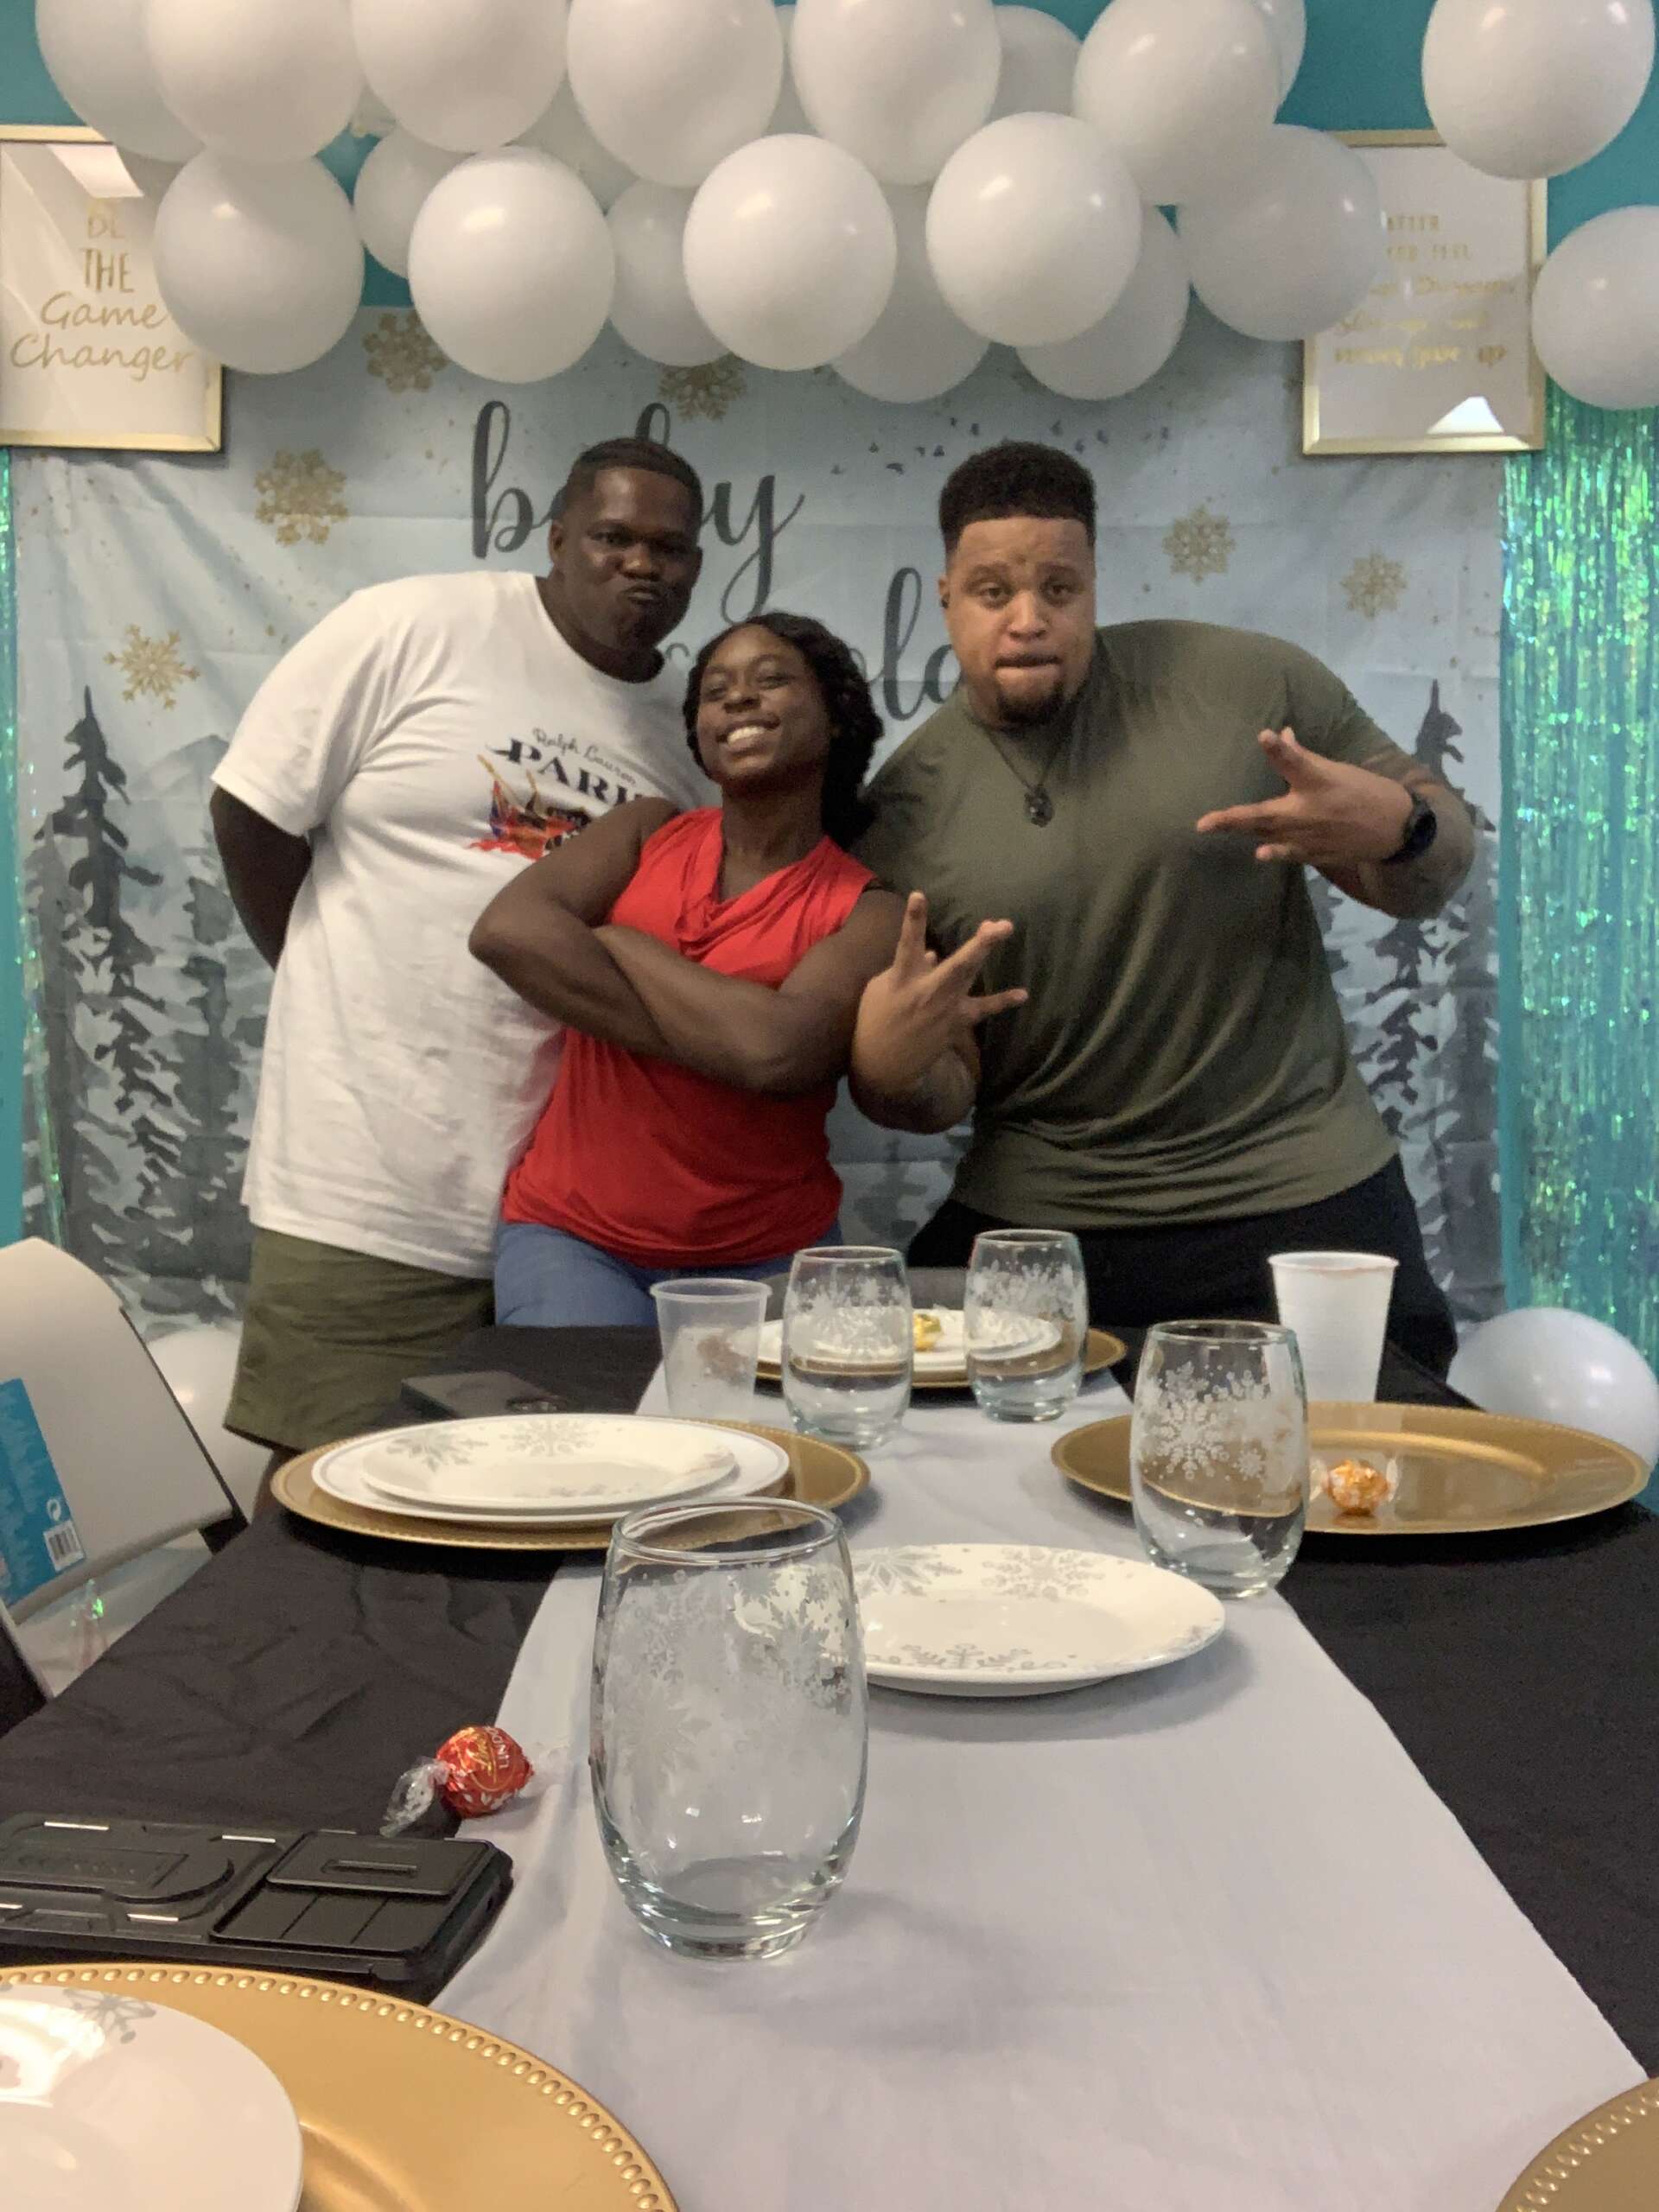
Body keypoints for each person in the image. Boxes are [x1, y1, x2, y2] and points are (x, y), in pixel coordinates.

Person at [850, 441, 1475, 1373]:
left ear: (1095, 586)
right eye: (993, 592)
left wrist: (1404, 827)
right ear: (947, 597)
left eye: (1060, 589)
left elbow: (1434, 872)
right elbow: (947, 1086)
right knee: (932, 1425)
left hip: (1300, 1187)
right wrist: (887, 1070)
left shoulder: (1246, 687)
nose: (1028, 620)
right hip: (1046, 1220)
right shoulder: (902, 811)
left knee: (1382, 1445)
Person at [211, 435, 712, 1461]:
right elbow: (251, 811)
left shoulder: (696, 731)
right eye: (612, 537)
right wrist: (319, 974)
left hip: (572, 1218)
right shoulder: (413, 627)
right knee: (325, 1486)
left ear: (697, 566)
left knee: (543, 1500)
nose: (641, 564)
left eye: (669, 548)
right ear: (558, 538)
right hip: (368, 1181)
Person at [470, 613, 904, 1325]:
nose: (739, 699)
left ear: (835, 717)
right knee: (591, 1405)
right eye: (715, 691)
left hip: (771, 1258)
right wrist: (722, 1040)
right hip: (575, 1241)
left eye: (771, 680)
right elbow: (507, 932)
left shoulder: (871, 911)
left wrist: (622, 942)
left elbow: (776, 1054)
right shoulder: (646, 830)